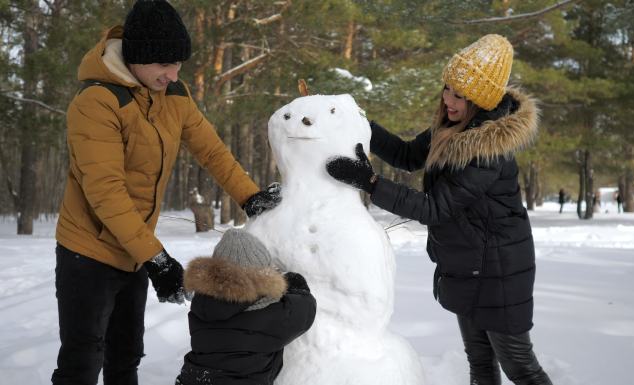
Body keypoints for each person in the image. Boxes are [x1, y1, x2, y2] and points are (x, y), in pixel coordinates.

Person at [52, 1, 281, 384]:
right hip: (88, 252)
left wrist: (249, 196)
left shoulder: (173, 94)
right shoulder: (96, 102)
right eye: (163, 65)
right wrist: (156, 259)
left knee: (126, 354)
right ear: (138, 57)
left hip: (134, 249)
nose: (173, 74)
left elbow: (210, 149)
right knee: (83, 359)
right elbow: (105, 193)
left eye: (178, 64)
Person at [326, 34, 552, 385]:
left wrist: (371, 184)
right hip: (468, 265)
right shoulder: (450, 129)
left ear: (479, 99)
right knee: (479, 362)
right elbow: (405, 155)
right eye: (448, 88)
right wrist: (362, 125)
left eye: (459, 95)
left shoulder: (488, 150)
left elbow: (435, 209)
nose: (448, 99)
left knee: (520, 366)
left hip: (500, 271)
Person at [176, 229, 317, 385]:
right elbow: (305, 312)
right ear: (262, 275)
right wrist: (296, 285)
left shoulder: (201, 305)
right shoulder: (269, 315)